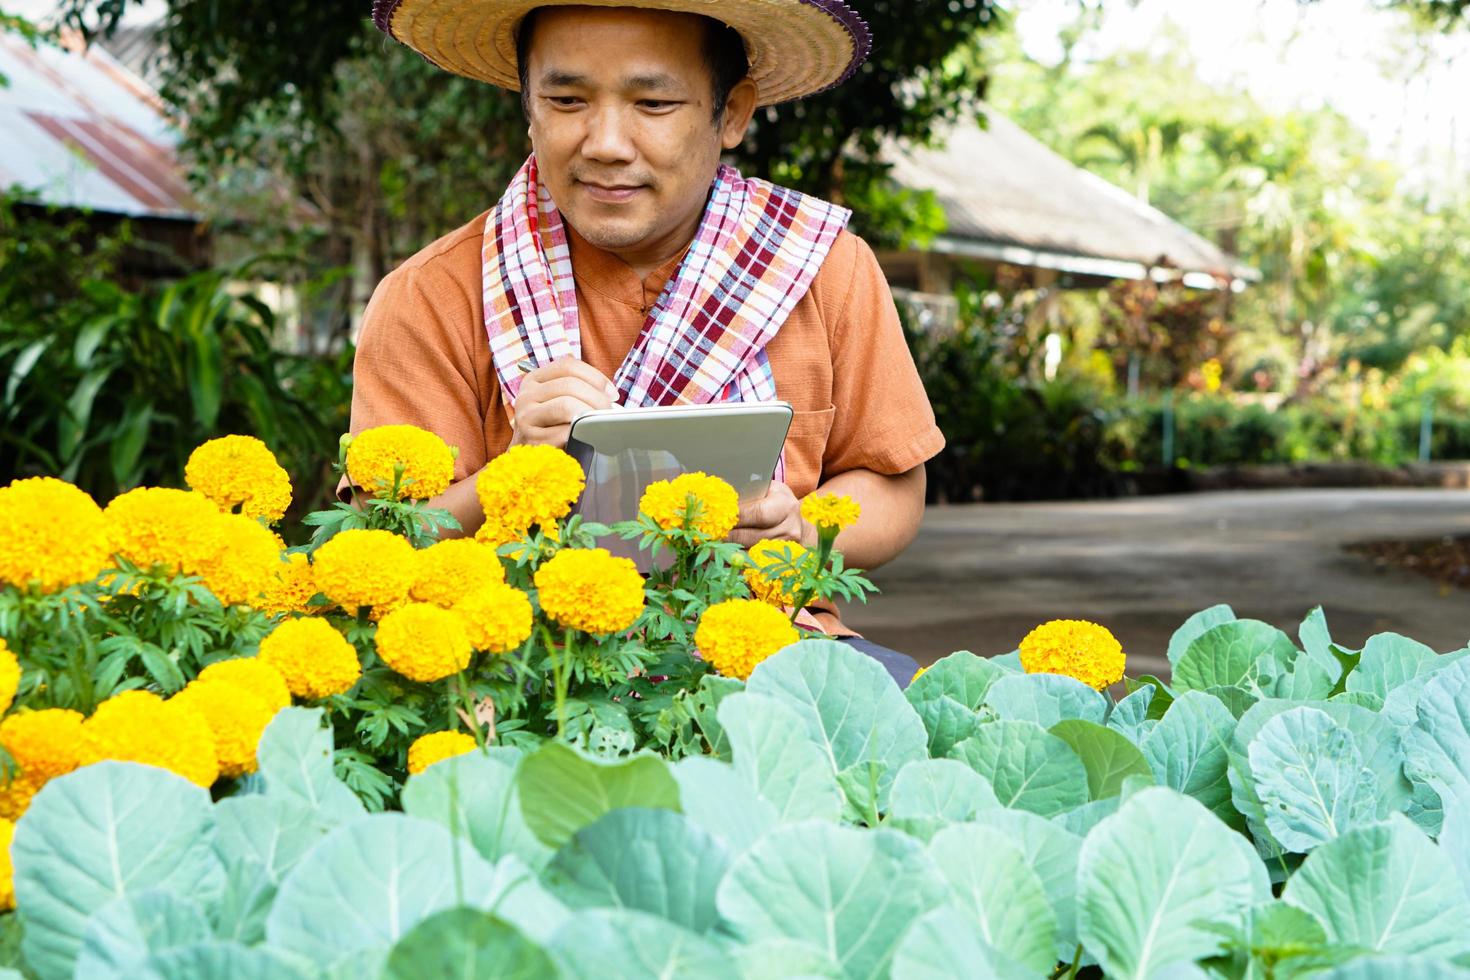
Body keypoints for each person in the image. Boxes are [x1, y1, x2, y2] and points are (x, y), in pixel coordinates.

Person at [356, 0, 945, 683]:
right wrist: (513, 477)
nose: (605, 141)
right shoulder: (431, 295)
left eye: (654, 103)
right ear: (529, 108)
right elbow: (382, 545)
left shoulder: (821, 268)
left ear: (732, 114)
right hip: (517, 668)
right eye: (567, 98)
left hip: (771, 646)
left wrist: (799, 534)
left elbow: (894, 486)